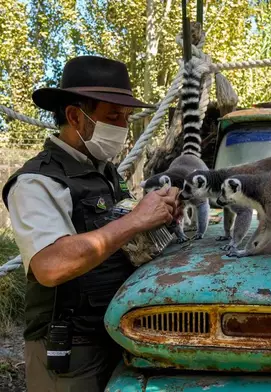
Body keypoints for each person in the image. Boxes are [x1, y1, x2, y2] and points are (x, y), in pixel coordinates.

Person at [1, 56, 181, 391]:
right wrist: (136, 220)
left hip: (117, 332)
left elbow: (119, 239)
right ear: (74, 116)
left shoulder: (105, 172)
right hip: (71, 352)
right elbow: (51, 265)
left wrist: (159, 220)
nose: (122, 126)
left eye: (126, 118)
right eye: (113, 116)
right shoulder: (37, 182)